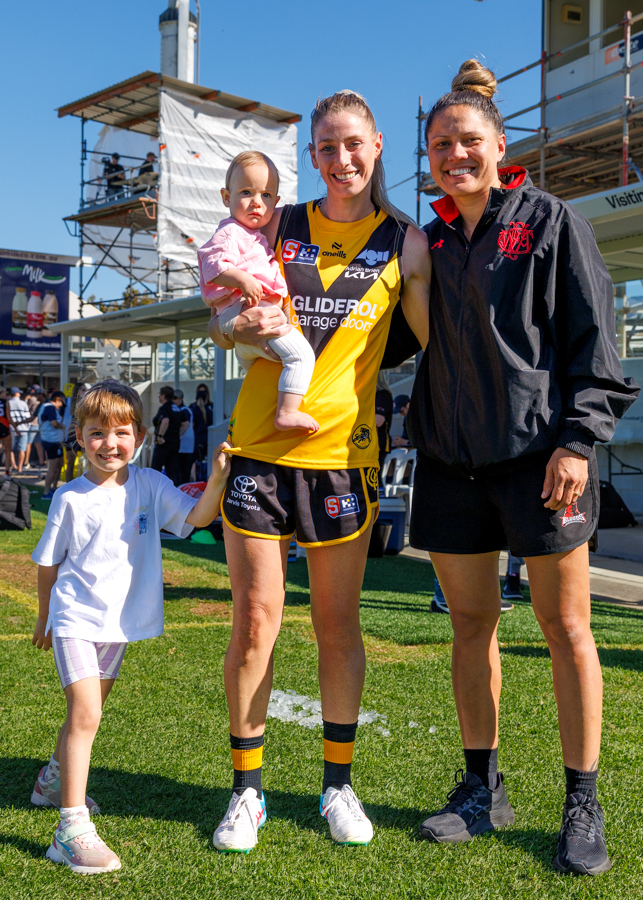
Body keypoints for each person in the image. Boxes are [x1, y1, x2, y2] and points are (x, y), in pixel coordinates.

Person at [385, 59, 639, 875]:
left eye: (466, 141)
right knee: (469, 627)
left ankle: (581, 801)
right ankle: (480, 789)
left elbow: (594, 344)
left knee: (567, 631)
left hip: (540, 463)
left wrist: (577, 441)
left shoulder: (549, 220)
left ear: (499, 145)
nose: (453, 155)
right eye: (438, 145)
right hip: (448, 463)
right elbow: (386, 341)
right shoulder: (425, 243)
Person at [207, 89, 429, 853]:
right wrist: (231, 326)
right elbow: (218, 311)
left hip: (341, 459)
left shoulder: (405, 242)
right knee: (254, 622)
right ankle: (246, 792)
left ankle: (337, 785)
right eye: (327, 147)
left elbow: (437, 343)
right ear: (311, 156)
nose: (341, 159)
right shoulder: (279, 221)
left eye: (352, 144)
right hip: (259, 449)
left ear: (377, 146)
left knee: (337, 625)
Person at [30, 381, 230, 875]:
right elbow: (48, 565)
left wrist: (218, 479)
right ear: (79, 437)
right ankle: (70, 830)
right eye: (97, 433)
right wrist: (44, 615)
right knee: (86, 714)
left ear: (139, 436)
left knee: (87, 714)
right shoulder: (68, 497)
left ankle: (52, 780)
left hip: (118, 625)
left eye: (121, 432)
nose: (110, 443)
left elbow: (197, 517)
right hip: (74, 618)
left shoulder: (151, 484)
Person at [200, 151, 319, 434]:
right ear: (226, 197)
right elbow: (212, 265)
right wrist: (242, 279)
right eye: (246, 192)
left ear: (276, 203)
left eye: (266, 195)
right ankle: (287, 412)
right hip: (248, 316)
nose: (257, 202)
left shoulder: (253, 235)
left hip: (247, 328)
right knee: (302, 357)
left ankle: (266, 417)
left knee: (266, 374)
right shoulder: (230, 232)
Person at [151, 386, 182, 486]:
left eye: (159, 394)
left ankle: (153, 489)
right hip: (175, 443)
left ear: (163, 396)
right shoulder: (176, 408)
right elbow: (186, 424)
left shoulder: (164, 408)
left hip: (164, 444)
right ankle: (175, 490)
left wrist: (160, 436)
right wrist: (176, 434)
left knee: (155, 469)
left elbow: (165, 421)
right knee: (172, 470)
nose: (159, 396)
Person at [39, 391, 66, 499]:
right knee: (53, 467)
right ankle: (46, 493)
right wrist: (64, 427)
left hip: (54, 440)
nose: (61, 405)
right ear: (57, 399)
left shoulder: (47, 407)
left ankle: (53, 489)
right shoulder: (50, 407)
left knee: (59, 465)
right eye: (61, 402)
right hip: (51, 441)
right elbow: (54, 423)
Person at [62, 383, 90, 482]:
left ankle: (86, 484)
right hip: (70, 435)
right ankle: (68, 485)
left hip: (84, 434)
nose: (85, 392)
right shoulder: (68, 402)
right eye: (83, 389)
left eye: (86, 390)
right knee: (70, 463)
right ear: (77, 391)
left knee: (88, 462)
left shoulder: (89, 402)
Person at [190, 383, 213, 479]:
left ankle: (196, 479)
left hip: (196, 438)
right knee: (205, 460)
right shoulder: (209, 410)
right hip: (206, 438)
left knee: (194, 460)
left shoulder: (193, 409)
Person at [173, 388, 195, 484]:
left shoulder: (184, 410)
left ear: (180, 399)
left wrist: (175, 437)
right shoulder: (184, 410)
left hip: (184, 445)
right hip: (184, 445)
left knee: (183, 471)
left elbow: (186, 425)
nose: (173, 400)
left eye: (175, 398)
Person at [8, 387, 31, 474]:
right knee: (22, 449)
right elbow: (27, 416)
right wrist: (27, 427)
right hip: (23, 428)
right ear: (16, 393)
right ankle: (20, 468)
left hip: (11, 428)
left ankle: (14, 465)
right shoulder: (23, 403)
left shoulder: (8, 403)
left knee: (10, 449)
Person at [375, 372, 393, 471]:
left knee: (375, 475)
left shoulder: (383, 394)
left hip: (379, 443)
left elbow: (378, 421)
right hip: (370, 442)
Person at [25, 386, 45, 470]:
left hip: (35, 425)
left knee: (28, 443)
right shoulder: (41, 403)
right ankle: (42, 462)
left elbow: (26, 409)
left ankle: (26, 462)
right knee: (38, 444)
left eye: (37, 394)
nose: (35, 396)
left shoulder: (32, 399)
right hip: (40, 426)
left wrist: (26, 400)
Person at [0, 386, 14, 477]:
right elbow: (9, 418)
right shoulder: (6, 402)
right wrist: (16, 428)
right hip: (4, 426)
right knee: (8, 451)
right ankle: (7, 473)